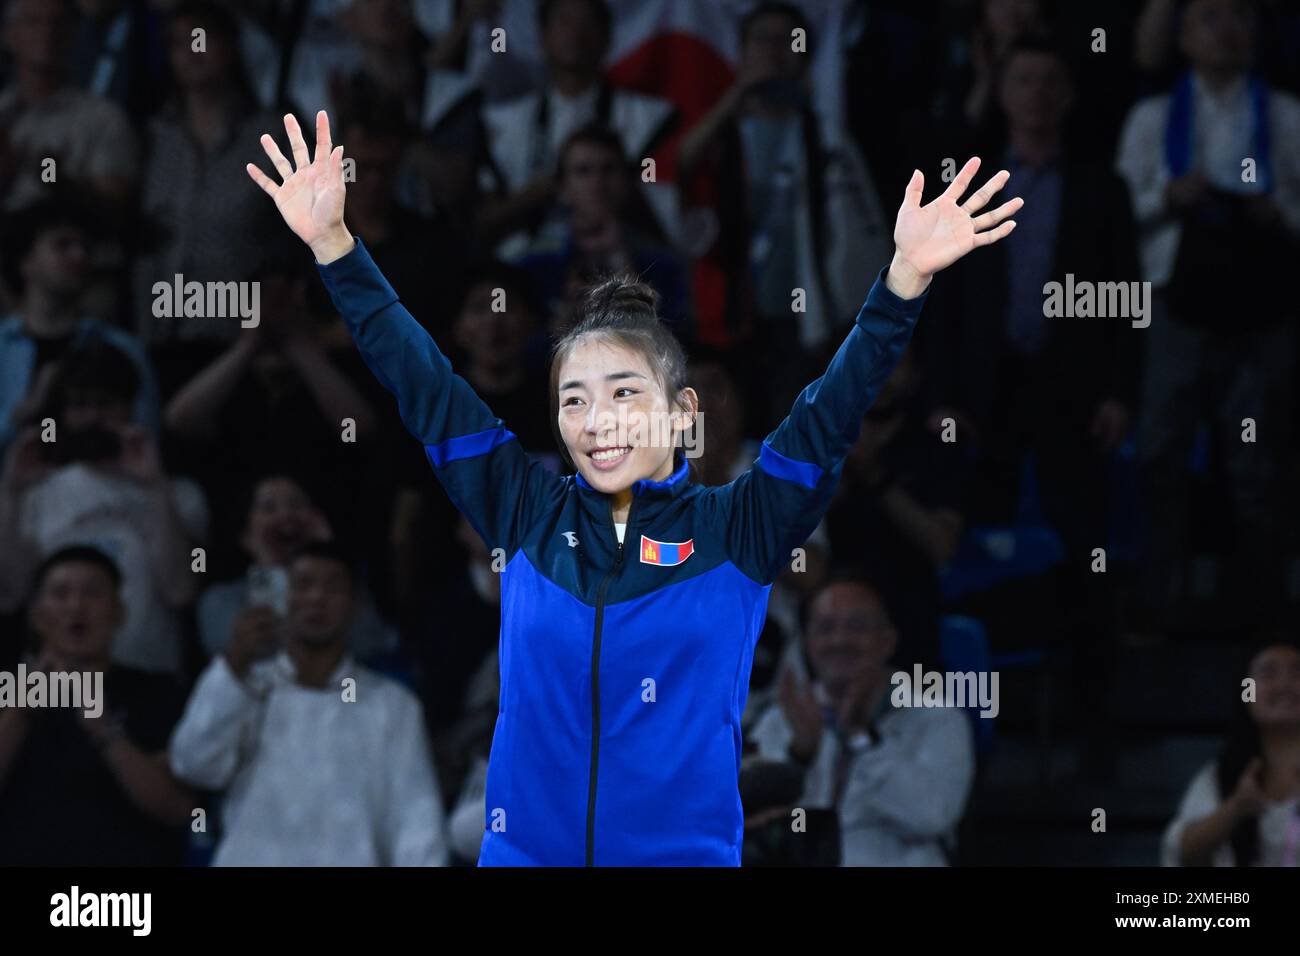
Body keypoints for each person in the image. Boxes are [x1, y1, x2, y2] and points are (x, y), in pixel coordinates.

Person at [246, 108, 1020, 865]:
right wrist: (336, 247)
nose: (596, 420)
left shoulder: (740, 528)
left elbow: (830, 414)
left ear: (683, 413)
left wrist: (902, 281)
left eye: (623, 392)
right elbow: (423, 382)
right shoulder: (526, 513)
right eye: (574, 399)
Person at [1116, 0, 1300, 632]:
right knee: (1162, 450)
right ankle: (1161, 602)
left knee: (1257, 457)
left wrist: (1280, 213)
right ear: (1184, 36)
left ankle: (1260, 611)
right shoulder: (1154, 117)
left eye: (1243, 17)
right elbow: (1120, 212)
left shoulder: (1285, 116)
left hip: (1261, 303)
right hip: (1178, 301)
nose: (1229, 31)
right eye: (1211, 18)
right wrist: (1168, 195)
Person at [169, 540, 448, 866]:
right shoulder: (245, 687)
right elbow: (193, 765)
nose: (317, 598)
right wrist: (234, 665)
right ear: (281, 597)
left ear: (355, 605)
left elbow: (417, 821)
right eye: (303, 585)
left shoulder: (393, 705)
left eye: (333, 587)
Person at [0, 343, 207, 676]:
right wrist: (10, 494)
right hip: (52, 684)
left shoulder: (182, 496)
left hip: (149, 679)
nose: (94, 417)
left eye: (106, 404)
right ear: (63, 415)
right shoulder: (33, 496)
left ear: (130, 408)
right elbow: (8, 596)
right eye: (81, 405)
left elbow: (182, 589)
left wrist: (155, 486)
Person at [748, 573, 976, 865]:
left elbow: (931, 816)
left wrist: (860, 736)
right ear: (807, 643)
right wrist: (799, 756)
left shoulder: (937, 719)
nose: (840, 640)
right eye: (826, 628)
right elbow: (756, 824)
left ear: (888, 641)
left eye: (857, 627)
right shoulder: (785, 718)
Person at [0, 545, 194, 865]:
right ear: (36, 616)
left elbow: (180, 810)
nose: (76, 606)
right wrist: (19, 711)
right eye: (60, 594)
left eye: (92, 593)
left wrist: (104, 728)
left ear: (119, 612)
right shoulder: (8, 688)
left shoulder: (159, 691)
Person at [1161, 635, 1300, 866]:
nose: (1284, 685)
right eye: (1268, 673)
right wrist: (1236, 808)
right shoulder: (1221, 775)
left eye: (1297, 673)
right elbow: (1181, 854)